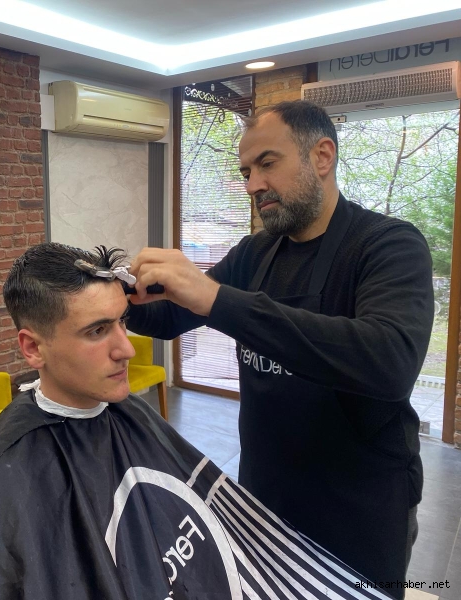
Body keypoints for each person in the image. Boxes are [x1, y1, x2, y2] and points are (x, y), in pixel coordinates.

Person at [0, 242, 380, 600]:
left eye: (122, 320)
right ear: (33, 348)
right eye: (98, 331)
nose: (127, 348)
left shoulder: (130, 414)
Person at [127, 100, 433, 593]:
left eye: (267, 164)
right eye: (246, 172)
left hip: (359, 503)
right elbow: (168, 317)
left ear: (322, 156)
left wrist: (218, 299)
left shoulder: (387, 245)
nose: (253, 185)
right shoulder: (255, 253)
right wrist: (113, 295)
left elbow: (388, 360)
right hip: (266, 492)